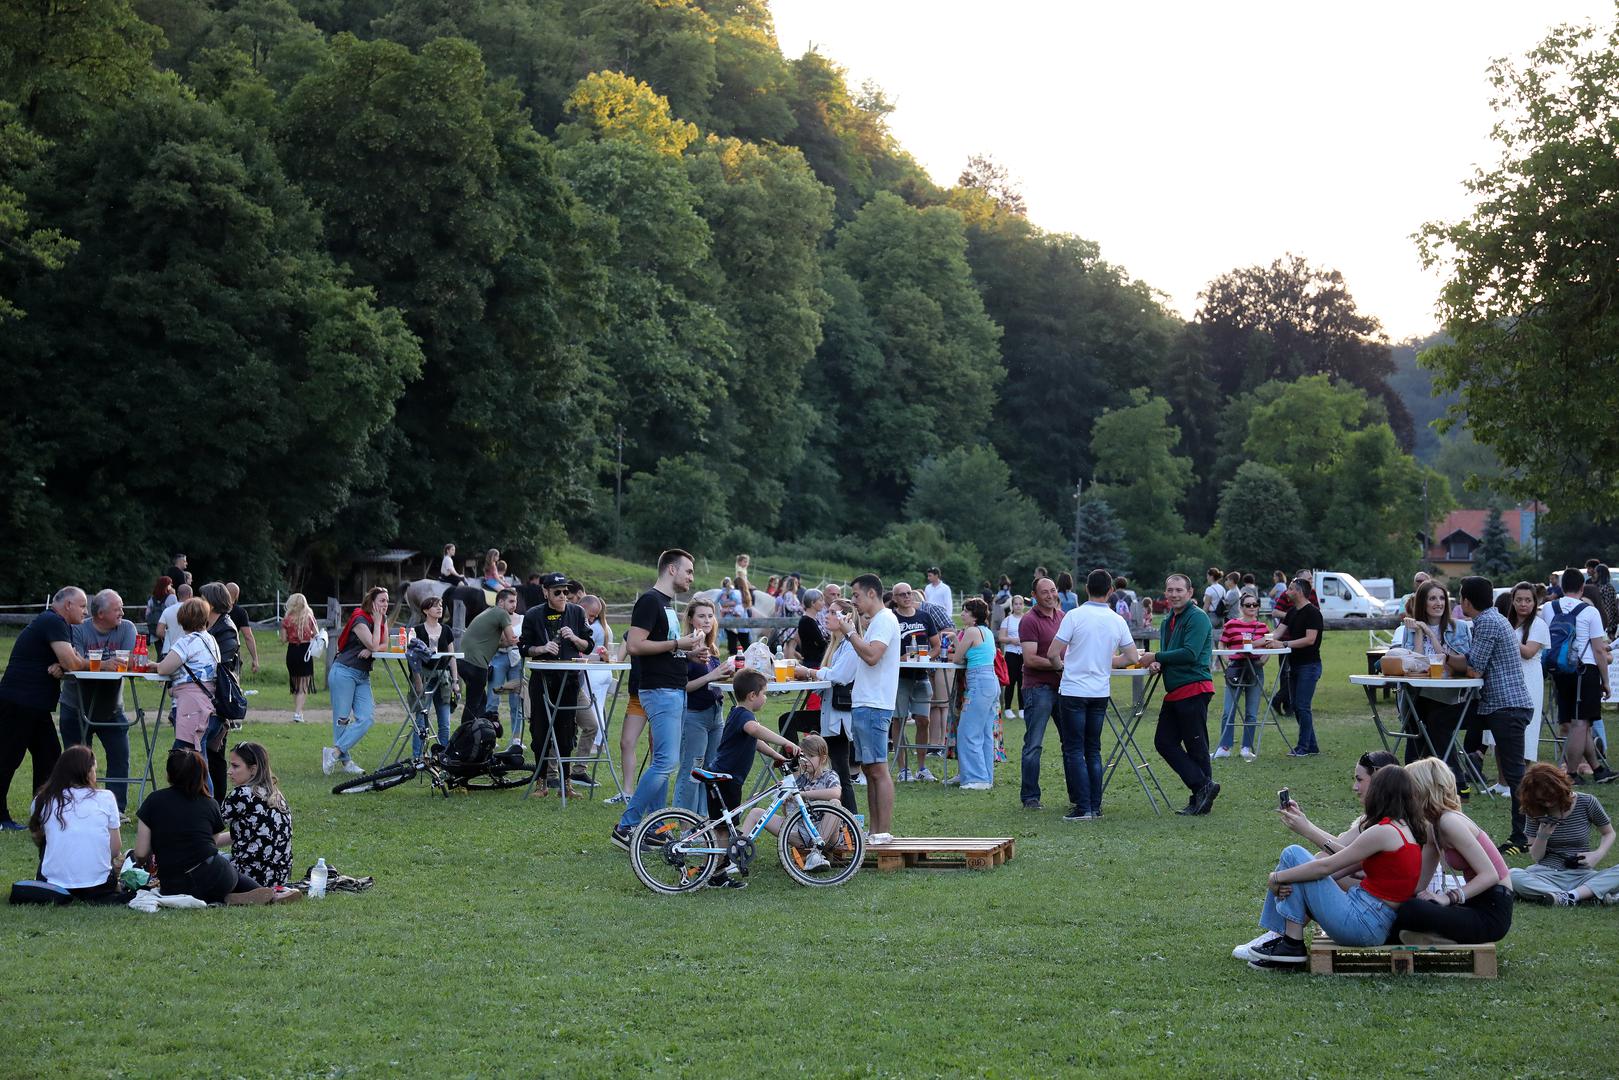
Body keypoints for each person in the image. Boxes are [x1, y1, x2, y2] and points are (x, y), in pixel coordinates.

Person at [1241, 766, 1426, 968]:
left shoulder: (1384, 831)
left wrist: (1276, 878)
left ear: (1380, 793)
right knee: (1301, 868)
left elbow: (1327, 866)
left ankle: (1291, 943)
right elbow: (1343, 866)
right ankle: (1287, 944)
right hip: (1374, 922)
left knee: (1293, 853)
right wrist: (1293, 876)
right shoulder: (1405, 830)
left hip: (1362, 923)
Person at [611, 550, 708, 851]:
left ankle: (654, 827)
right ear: (671, 569)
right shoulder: (650, 601)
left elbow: (662, 648)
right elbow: (635, 645)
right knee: (667, 762)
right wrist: (679, 643)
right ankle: (626, 827)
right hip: (659, 691)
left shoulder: (666, 606)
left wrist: (687, 653)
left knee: (662, 761)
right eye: (688, 571)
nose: (691, 577)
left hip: (674, 688)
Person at [134, 749, 298, 905]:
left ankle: (235, 896)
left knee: (218, 862)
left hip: (172, 884)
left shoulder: (153, 800)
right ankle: (264, 894)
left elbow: (141, 853)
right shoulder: (209, 803)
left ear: (169, 774)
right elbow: (210, 845)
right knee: (221, 862)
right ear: (202, 775)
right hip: (216, 878)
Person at [1446, 576, 1533, 854]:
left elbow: (1474, 669)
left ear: (1467, 601)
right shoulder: (1495, 619)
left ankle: (1522, 836)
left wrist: (1444, 656)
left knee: (1515, 774)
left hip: (1506, 707)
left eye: (1461, 598)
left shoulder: (1486, 623)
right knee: (1444, 726)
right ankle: (1461, 779)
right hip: (1499, 705)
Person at [1047, 569, 1139, 820]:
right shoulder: (1117, 620)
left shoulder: (1074, 616)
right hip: (1099, 691)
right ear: (1110, 591)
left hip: (1074, 689)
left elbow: (1053, 652)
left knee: (1074, 749)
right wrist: (1109, 661)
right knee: (1093, 749)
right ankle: (1095, 806)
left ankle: (1083, 806)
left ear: (1086, 588)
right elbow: (1132, 657)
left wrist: (1061, 668)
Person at [1393, 757, 1512, 945]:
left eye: (1408, 791)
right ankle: (1434, 938)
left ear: (1422, 790)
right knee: (1400, 910)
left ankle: (1436, 937)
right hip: (1472, 903)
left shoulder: (1450, 822)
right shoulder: (1433, 827)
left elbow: (1491, 875)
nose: (1405, 797)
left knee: (1411, 909)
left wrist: (1447, 898)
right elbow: (1418, 885)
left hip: (1491, 910)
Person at [701, 669, 800, 890]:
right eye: (764, 693)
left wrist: (776, 754)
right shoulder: (745, 716)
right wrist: (786, 742)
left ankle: (715, 869)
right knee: (724, 830)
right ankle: (716, 874)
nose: (765, 698)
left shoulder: (738, 714)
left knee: (725, 827)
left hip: (726, 779)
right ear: (753, 695)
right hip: (726, 780)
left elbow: (753, 741)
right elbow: (755, 730)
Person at [0, 587, 87, 829]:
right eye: (82, 606)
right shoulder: (53, 620)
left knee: (49, 755)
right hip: (20, 700)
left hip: (34, 704)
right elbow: (72, 660)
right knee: (7, 757)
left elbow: (68, 660)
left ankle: (43, 812)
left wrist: (63, 664)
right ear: (67, 605)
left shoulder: (59, 624)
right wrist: (73, 663)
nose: (85, 611)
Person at [1140, 574, 1219, 815]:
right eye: (1170, 590)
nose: (1174, 594)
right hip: (1175, 690)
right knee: (1164, 742)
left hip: (1194, 688)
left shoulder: (1198, 618)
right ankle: (1202, 788)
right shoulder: (1167, 621)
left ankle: (1201, 795)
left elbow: (1190, 653)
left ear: (1190, 592)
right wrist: (1158, 664)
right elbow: (1170, 653)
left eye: (1179, 590)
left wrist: (1156, 657)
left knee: (1197, 747)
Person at [55, 589, 136, 816]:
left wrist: (96, 664)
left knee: (120, 756)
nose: (122, 611)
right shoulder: (78, 630)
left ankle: (116, 809)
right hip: (75, 706)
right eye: (117, 608)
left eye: (121, 607)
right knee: (75, 760)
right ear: (100, 614)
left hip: (111, 709)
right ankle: (76, 807)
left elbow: (127, 661)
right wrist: (104, 664)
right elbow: (76, 661)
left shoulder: (127, 628)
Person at [519, 572, 593, 795]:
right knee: (540, 731)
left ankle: (566, 783)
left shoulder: (577, 612)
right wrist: (542, 649)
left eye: (566, 592)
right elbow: (524, 648)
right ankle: (542, 782)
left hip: (569, 680)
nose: (563, 596)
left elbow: (588, 645)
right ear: (545, 592)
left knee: (567, 732)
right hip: (542, 679)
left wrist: (574, 638)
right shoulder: (533, 614)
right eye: (557, 592)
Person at [839, 574, 899, 845]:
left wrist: (850, 633)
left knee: (878, 769)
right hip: (865, 703)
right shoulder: (876, 622)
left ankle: (883, 831)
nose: (854, 601)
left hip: (875, 704)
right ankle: (874, 832)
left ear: (872, 594)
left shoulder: (885, 619)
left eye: (856, 595)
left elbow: (873, 656)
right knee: (868, 769)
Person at [1540, 569, 1614, 784]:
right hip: (1585, 669)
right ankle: (1571, 774)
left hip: (1561, 669)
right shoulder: (1590, 611)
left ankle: (1598, 769)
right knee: (1581, 723)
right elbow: (1599, 650)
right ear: (1582, 587)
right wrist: (1606, 681)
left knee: (1579, 722)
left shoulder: (1549, 608)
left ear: (1562, 587)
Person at [1509, 762, 1619, 905]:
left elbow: (1609, 833)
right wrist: (1543, 836)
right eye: (1542, 800)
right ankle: (1583, 895)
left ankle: (1567, 896)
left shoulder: (1586, 802)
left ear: (1560, 787)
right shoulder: (1534, 810)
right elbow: (1536, 857)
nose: (1548, 804)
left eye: (1551, 797)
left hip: (1581, 874)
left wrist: (1597, 854)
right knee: (1512, 875)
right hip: (1545, 874)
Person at [1393, 580, 1472, 773]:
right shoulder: (1410, 630)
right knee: (1417, 726)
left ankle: (1454, 779)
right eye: (1432, 598)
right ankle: (1414, 778)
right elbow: (1417, 666)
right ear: (1422, 603)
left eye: (1442, 598)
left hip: (1448, 695)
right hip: (1418, 694)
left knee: (1435, 725)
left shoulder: (1460, 628)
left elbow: (1452, 664)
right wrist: (1419, 633)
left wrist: (1430, 632)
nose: (1439, 603)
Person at [26, 745, 123, 901]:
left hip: (53, 886)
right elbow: (115, 848)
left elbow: (38, 837)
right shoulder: (106, 797)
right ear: (88, 772)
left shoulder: (42, 799)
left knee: (48, 839)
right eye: (94, 771)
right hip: (99, 885)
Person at [674, 598, 736, 815]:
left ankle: (703, 820)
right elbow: (684, 687)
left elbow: (713, 681)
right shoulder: (684, 648)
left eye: (710, 615)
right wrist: (713, 675)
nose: (707, 620)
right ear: (691, 619)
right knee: (692, 772)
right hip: (694, 716)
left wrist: (729, 675)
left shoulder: (712, 648)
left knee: (711, 771)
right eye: (701, 615)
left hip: (715, 715)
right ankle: (682, 823)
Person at [322, 586, 391, 778]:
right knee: (342, 720)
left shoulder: (382, 619)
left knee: (367, 718)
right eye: (382, 601)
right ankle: (346, 762)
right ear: (372, 602)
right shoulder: (360, 618)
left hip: (362, 675)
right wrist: (375, 636)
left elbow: (383, 644)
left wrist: (372, 649)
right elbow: (375, 643)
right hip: (344, 672)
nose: (385, 605)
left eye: (387, 601)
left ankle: (334, 753)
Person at [152, 598, 221, 788]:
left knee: (187, 761)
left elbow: (164, 668)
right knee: (200, 762)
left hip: (192, 709)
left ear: (182, 620)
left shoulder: (186, 642)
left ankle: (202, 806)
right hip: (210, 705)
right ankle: (205, 806)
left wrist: (154, 665)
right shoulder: (210, 640)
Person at [889, 582, 947, 783]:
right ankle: (903, 769)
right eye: (902, 594)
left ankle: (922, 767)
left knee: (924, 720)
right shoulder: (891, 618)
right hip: (900, 677)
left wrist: (927, 657)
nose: (907, 597)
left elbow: (937, 645)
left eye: (909, 593)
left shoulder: (924, 616)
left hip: (921, 674)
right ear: (895, 598)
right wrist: (901, 659)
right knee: (899, 720)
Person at [1017, 577, 1066, 810]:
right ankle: (1030, 797)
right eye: (1044, 592)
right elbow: (1030, 658)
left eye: (1053, 590)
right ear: (1034, 595)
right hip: (1038, 689)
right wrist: (1060, 665)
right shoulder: (1029, 620)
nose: (1050, 595)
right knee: (1034, 743)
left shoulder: (1063, 617)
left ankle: (1078, 794)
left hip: (1064, 688)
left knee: (1071, 743)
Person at [1262, 578, 1323, 757]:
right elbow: (1277, 634)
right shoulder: (1291, 612)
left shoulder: (1313, 613)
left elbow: (1310, 639)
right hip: (1294, 665)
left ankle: (1303, 747)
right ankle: (1311, 746)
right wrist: (1255, 642)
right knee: (1297, 705)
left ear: (1299, 592)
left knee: (1302, 706)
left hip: (1310, 666)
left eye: (1289, 589)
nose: (1286, 592)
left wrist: (1284, 644)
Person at [810, 599, 861, 812]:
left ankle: (853, 821)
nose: (827, 616)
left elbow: (839, 676)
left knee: (842, 772)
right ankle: (804, 767)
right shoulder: (836, 645)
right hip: (829, 713)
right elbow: (826, 681)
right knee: (787, 721)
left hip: (840, 717)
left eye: (833, 612)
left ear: (847, 617)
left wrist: (810, 673)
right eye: (827, 612)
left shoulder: (850, 646)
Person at [220, 741, 293, 889]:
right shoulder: (276, 795)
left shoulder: (241, 794)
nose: (229, 771)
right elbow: (247, 835)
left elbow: (209, 831)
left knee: (207, 860)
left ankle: (240, 893)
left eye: (235, 766)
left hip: (248, 875)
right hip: (278, 878)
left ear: (253, 769)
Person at [947, 597, 999, 791]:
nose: (962, 614)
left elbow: (958, 657)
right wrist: (955, 639)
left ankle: (975, 778)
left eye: (966, 611)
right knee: (984, 732)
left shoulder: (970, 631)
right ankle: (985, 777)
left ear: (974, 615)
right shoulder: (986, 632)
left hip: (978, 682)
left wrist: (954, 641)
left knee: (968, 731)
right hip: (990, 681)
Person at [1214, 592, 1270, 761]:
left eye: (1254, 604)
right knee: (1228, 710)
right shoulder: (1231, 625)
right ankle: (1225, 746)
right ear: (1241, 607)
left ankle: (1246, 746)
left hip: (1254, 668)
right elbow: (1222, 642)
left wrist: (1263, 661)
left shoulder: (1263, 628)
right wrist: (1225, 657)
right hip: (1236, 668)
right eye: (1248, 605)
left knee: (1251, 712)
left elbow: (1269, 647)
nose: (1252, 608)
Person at [1502, 582, 1551, 764]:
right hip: (1505, 678)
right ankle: (1502, 782)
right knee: (1499, 730)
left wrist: (1507, 635)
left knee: (1525, 731)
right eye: (1519, 600)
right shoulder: (1507, 623)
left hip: (1529, 679)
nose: (1523, 604)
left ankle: (1521, 779)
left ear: (1535, 602)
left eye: (1528, 600)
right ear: (1513, 602)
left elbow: (1529, 652)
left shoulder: (1539, 625)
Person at [459, 588, 517, 735]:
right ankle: (464, 738)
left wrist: (506, 642)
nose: (514, 605)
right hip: (476, 663)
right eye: (511, 601)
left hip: (463, 661)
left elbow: (501, 642)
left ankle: (483, 733)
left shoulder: (489, 612)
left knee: (481, 702)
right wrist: (531, 642)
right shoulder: (501, 613)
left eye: (515, 601)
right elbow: (511, 639)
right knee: (473, 705)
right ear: (501, 602)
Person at [410, 595, 458, 756]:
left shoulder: (446, 630)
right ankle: (418, 757)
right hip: (424, 677)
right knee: (421, 719)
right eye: (435, 606)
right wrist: (418, 682)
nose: (440, 608)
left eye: (441, 605)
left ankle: (443, 756)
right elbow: (413, 658)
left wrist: (455, 681)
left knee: (444, 722)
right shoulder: (417, 630)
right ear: (425, 610)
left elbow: (452, 657)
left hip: (443, 678)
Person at [280, 593, 318, 725]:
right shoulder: (309, 617)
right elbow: (317, 635)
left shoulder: (287, 620)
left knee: (296, 685)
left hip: (292, 652)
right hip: (305, 651)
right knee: (303, 685)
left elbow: (283, 640)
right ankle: (298, 712)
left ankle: (298, 711)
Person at [997, 594, 1025, 720]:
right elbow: (1001, 638)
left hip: (1024, 654)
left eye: (1020, 604)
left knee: (1022, 682)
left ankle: (1022, 708)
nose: (1018, 606)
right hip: (1011, 654)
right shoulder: (1007, 620)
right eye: (1016, 604)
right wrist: (1012, 640)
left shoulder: (1027, 619)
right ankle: (1007, 708)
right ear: (1012, 605)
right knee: (1011, 681)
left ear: (1023, 605)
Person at [224, 583, 260, 676]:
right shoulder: (240, 612)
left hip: (214, 650)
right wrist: (255, 659)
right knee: (234, 681)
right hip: (232, 652)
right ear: (237, 596)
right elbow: (248, 636)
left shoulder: (214, 610)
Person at [155, 583, 193, 659]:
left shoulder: (167, 610)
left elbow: (159, 632)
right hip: (189, 650)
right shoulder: (193, 610)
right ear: (190, 595)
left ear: (178, 595)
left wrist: (170, 634)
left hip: (170, 650)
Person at [145, 576, 175, 650]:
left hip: (155, 630)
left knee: (159, 653)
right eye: (170, 584)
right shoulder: (171, 597)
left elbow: (147, 615)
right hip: (167, 630)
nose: (171, 586)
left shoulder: (152, 599)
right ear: (167, 586)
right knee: (169, 653)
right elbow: (175, 612)